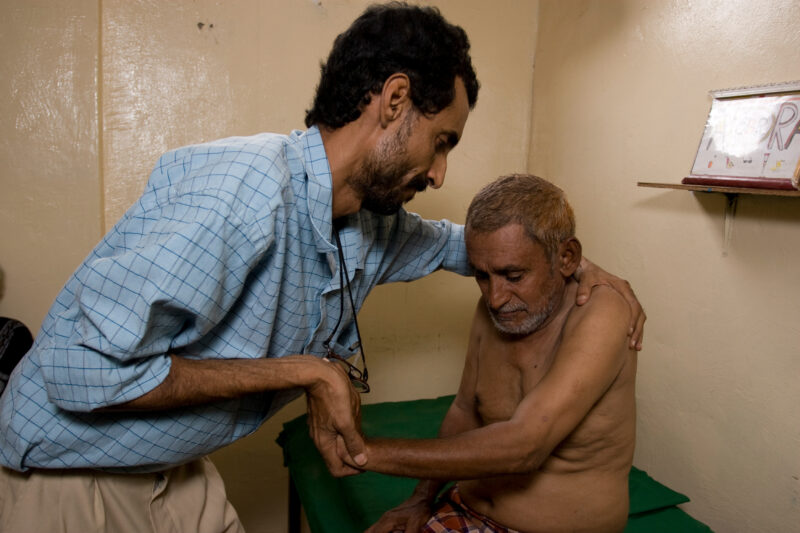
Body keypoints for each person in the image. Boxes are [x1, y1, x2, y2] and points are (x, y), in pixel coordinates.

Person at [0, 3, 643, 532]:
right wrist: (306, 370)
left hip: (168, 467)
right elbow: (81, 375)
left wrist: (586, 271)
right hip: (71, 475)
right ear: (394, 101)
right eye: (441, 140)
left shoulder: (368, 223)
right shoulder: (247, 188)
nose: (441, 172)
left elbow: (485, 249)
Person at [346, 174, 638, 533]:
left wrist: (365, 452)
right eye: (482, 276)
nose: (495, 298)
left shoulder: (602, 312)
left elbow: (525, 446)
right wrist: (421, 498)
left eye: (513, 276)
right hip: (464, 508)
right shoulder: (497, 310)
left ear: (567, 258)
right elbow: (465, 411)